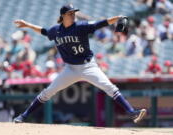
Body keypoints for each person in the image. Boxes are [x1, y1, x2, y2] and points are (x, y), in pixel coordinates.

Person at [13, 4, 146, 123]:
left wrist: (116, 18)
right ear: (63, 16)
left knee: (111, 88)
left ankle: (132, 112)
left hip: (89, 66)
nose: (73, 15)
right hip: (70, 69)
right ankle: (23, 116)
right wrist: (28, 25)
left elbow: (100, 23)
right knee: (48, 92)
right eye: (70, 13)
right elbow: (44, 31)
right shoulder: (56, 30)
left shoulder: (81, 26)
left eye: (74, 13)